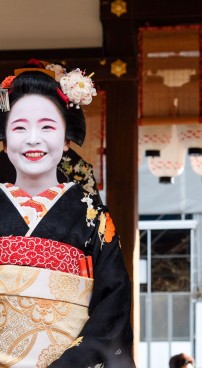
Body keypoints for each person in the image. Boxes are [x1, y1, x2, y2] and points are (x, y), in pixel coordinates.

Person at [0, 63, 135, 367]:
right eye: (20, 127)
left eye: (47, 127)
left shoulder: (93, 216)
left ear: (67, 139)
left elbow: (112, 305)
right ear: (5, 139)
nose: (33, 139)